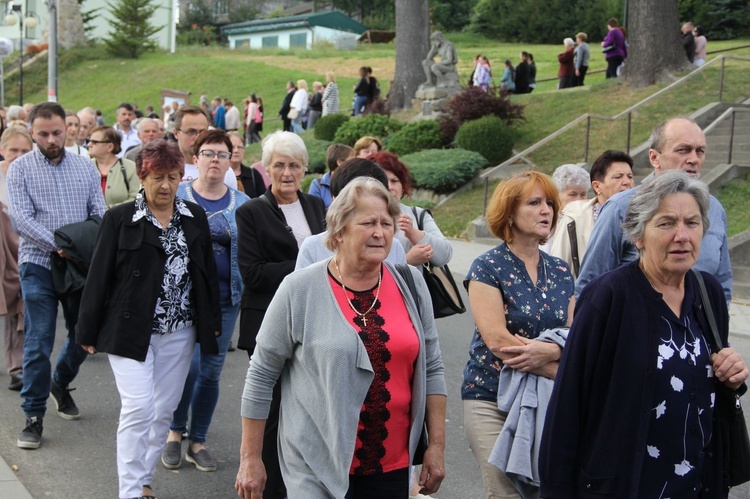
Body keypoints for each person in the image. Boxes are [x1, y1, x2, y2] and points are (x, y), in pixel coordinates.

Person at [540, 171, 748, 497]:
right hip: (625, 485)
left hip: (698, 484)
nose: (682, 235)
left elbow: (710, 385)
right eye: (666, 224)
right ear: (638, 235)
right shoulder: (607, 297)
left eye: (692, 223)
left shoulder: (707, 293)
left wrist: (731, 378)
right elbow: (567, 407)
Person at [236, 177, 447, 499]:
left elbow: (432, 368)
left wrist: (436, 446)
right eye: (368, 223)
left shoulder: (411, 283)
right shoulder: (300, 289)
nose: (380, 232)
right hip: (314, 463)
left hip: (391, 462)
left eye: (386, 223)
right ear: (339, 231)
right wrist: (250, 459)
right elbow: (262, 374)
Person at [76, 139, 221, 499]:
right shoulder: (120, 218)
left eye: (173, 177)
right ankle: (128, 492)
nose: (166, 186)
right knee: (139, 407)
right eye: (157, 177)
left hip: (180, 331)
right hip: (129, 330)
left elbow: (204, 275)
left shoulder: (193, 216)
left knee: (162, 412)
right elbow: (98, 277)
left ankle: (142, 481)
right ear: (142, 177)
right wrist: (86, 328)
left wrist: (211, 324)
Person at [462, 171, 575, 498]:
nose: (546, 211)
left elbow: (571, 335)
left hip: (546, 400)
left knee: (542, 491)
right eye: (534, 202)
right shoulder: (487, 266)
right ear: (509, 212)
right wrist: (559, 367)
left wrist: (554, 353)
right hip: (490, 395)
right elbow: (498, 341)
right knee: (506, 492)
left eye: (550, 203)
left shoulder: (561, 270)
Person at [8, 102, 106, 449]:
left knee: (85, 336)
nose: (51, 139)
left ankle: (60, 382)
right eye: (44, 134)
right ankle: (33, 417)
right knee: (38, 341)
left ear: (68, 129)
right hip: (38, 264)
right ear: (32, 132)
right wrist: (58, 244)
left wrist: (77, 248)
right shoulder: (19, 170)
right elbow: (22, 219)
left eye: (57, 132)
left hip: (79, 264)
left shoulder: (85, 167)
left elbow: (99, 214)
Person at [235, 131, 326, 498]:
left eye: (293, 165)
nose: (286, 173)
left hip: (315, 322)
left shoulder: (318, 207)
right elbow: (253, 274)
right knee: (270, 414)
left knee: (309, 410)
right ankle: (268, 486)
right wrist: (308, 265)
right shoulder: (251, 212)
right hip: (269, 322)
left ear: (304, 169)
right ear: (267, 168)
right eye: (279, 165)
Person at [160, 130, 251, 473]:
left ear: (230, 161)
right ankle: (174, 432)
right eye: (208, 153)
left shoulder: (243, 203)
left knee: (210, 372)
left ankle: (197, 440)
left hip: (226, 300)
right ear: (194, 160)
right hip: (181, 299)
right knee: (187, 368)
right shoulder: (175, 194)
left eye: (222, 154)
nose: (215, 160)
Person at [575, 117, 733, 305]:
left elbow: (722, 283)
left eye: (700, 151)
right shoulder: (621, 207)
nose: (694, 159)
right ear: (654, 157)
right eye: (683, 150)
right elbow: (590, 285)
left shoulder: (713, 209)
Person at [297, 158, 407, 270]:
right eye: (368, 223)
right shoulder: (313, 248)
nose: (378, 234)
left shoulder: (395, 247)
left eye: (386, 224)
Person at [549, 150, 634, 277]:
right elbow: (558, 268)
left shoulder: (643, 217)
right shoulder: (575, 218)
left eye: (630, 176)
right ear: (597, 187)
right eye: (618, 177)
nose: (627, 182)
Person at [370, 151, 453, 267]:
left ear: (403, 187)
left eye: (394, 181)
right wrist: (406, 261)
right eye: (383, 181)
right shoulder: (359, 218)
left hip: (414, 285)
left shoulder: (417, 215)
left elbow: (445, 256)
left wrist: (413, 233)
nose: (390, 187)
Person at [0, 126, 32, 392]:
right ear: (2, 151)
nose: (19, 156)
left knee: (18, 310)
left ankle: (16, 367)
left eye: (25, 151)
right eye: (14, 150)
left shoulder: (33, 179)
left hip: (22, 250)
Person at [173, 106, 237, 189]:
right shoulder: (167, 169)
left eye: (202, 132)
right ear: (176, 133)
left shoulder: (223, 171)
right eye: (191, 132)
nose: (197, 137)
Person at [88, 125, 140, 208]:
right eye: (89, 141)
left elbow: (136, 199)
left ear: (110, 147)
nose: (89, 144)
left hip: (120, 219)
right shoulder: (85, 167)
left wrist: (110, 209)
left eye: (94, 142)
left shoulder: (130, 168)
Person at [308, 143, 354, 210]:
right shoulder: (318, 185)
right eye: (351, 160)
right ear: (340, 162)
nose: (354, 163)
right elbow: (313, 212)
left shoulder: (354, 182)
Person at [228, 131, 266, 198]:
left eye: (239, 147)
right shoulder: (220, 176)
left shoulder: (253, 174)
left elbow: (264, 201)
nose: (236, 150)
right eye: (232, 147)